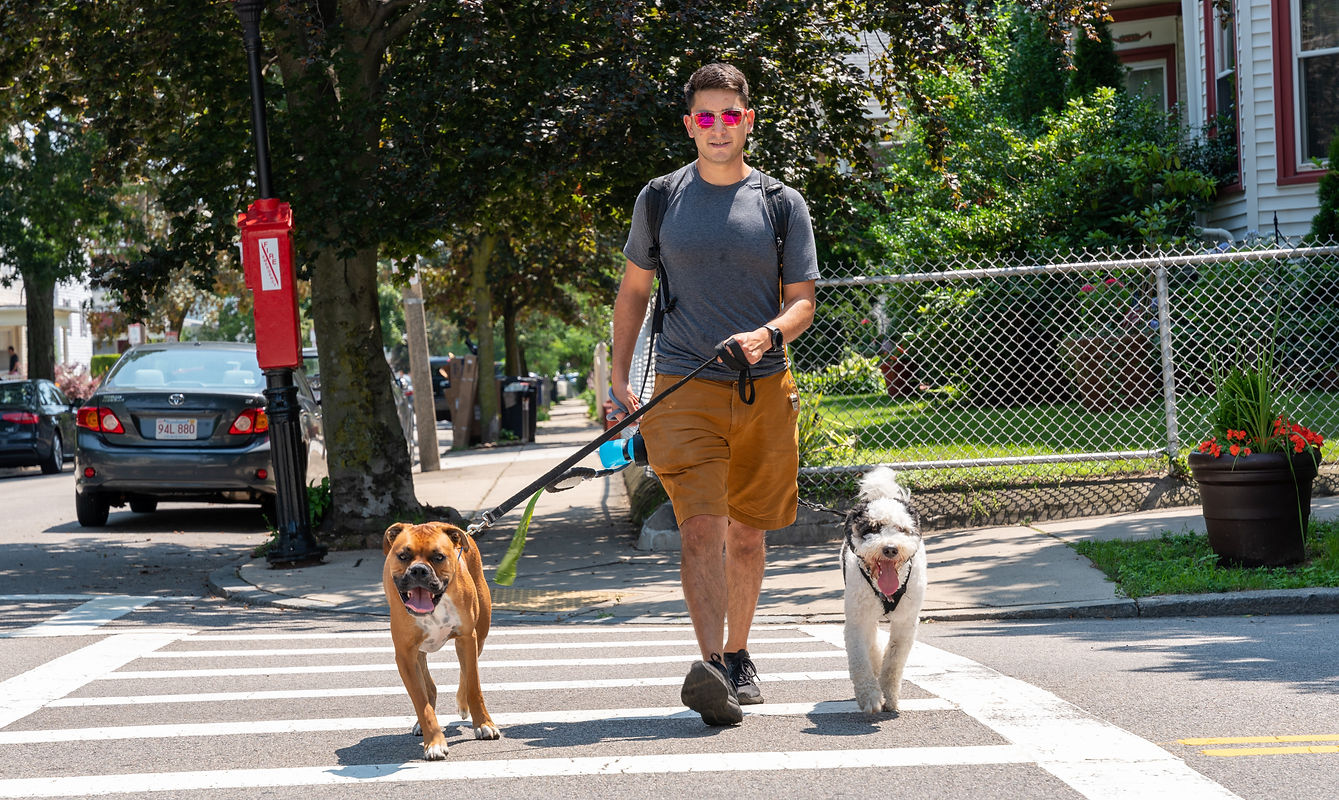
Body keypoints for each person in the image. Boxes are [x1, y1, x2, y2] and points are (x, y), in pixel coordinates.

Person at [610, 62, 818, 726]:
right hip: (682, 387)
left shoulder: (782, 203)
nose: (718, 127)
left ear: (748, 121)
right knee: (699, 528)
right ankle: (711, 671)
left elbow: (803, 302)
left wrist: (766, 335)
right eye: (705, 116)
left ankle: (736, 653)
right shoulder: (660, 199)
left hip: (762, 388)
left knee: (748, 535)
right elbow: (633, 293)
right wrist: (617, 380)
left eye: (730, 114)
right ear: (688, 125)